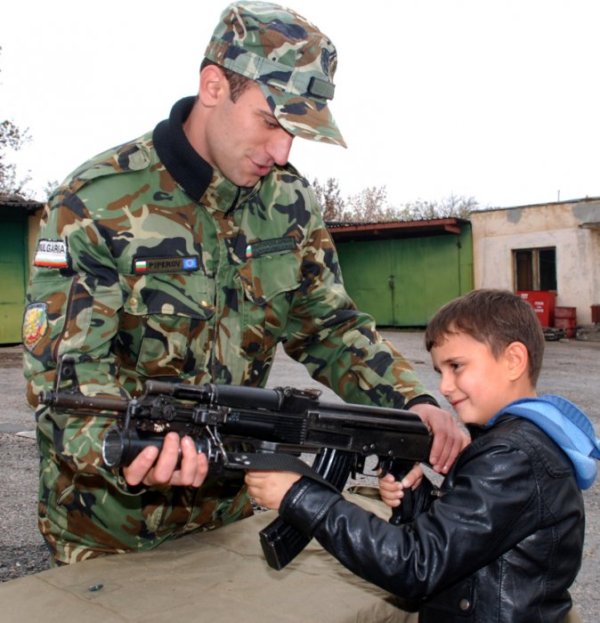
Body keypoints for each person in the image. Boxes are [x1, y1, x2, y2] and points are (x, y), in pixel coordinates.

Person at [22, 1, 465, 566]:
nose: (282, 151)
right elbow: (65, 383)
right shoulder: (94, 204)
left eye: (296, 134)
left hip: (231, 520)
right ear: (214, 86)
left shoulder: (290, 204)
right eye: (272, 121)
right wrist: (126, 452)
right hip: (107, 532)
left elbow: (330, 327)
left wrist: (412, 403)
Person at [246, 289, 600, 622]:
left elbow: (416, 565)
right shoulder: (516, 441)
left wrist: (301, 496)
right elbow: (468, 541)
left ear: (513, 360)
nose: (444, 387)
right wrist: (416, 501)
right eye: (440, 372)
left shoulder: (513, 456)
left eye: (456, 366)